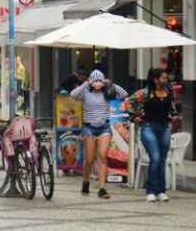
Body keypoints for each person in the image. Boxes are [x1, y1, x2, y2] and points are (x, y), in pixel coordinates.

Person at [70, 69, 128, 199]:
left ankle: (102, 188)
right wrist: (86, 83)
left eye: (99, 80)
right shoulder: (85, 92)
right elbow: (72, 94)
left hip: (104, 128)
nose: (97, 83)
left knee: (102, 156)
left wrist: (110, 83)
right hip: (89, 128)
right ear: (91, 81)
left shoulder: (108, 92)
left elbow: (124, 94)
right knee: (89, 160)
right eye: (95, 80)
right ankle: (85, 181)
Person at [125, 68, 177, 202]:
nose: (166, 80)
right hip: (148, 127)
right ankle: (151, 190)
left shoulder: (168, 91)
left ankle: (161, 191)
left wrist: (172, 118)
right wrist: (134, 117)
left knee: (163, 159)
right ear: (156, 79)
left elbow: (172, 108)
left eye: (166, 78)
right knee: (156, 157)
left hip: (164, 128)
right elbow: (127, 103)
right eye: (164, 78)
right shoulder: (145, 92)